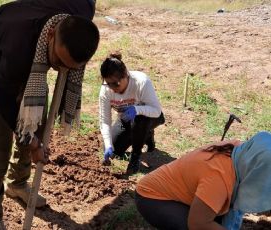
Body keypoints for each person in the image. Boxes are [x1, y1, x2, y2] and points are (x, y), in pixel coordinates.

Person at [0, 0, 99, 229]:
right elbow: (5, 101)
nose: (61, 69)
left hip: (28, 66)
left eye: (70, 67)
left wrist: (34, 137)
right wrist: (32, 143)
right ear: (50, 35)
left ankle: (17, 183)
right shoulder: (18, 43)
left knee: (35, 121)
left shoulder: (82, 12)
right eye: (58, 62)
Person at [135, 131, 271, 230]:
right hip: (152, 198)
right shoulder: (219, 179)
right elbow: (197, 224)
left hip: (186, 191)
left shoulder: (242, 153)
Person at [99, 53, 165, 175]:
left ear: (126, 75)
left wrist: (137, 109)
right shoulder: (106, 91)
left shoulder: (141, 82)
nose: (112, 88)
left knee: (140, 120)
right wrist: (108, 145)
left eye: (116, 84)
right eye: (108, 83)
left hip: (149, 117)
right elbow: (104, 121)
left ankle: (135, 156)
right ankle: (146, 134)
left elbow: (156, 111)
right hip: (126, 120)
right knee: (115, 150)